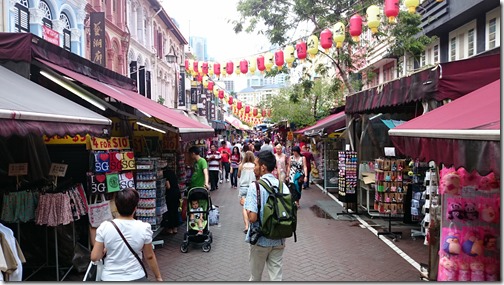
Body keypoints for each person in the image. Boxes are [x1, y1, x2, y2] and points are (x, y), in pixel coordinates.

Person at [91, 188, 163, 281]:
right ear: (135, 208)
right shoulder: (144, 228)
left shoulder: (104, 227)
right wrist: (158, 277)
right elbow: (149, 256)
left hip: (110, 277)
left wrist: (104, 251)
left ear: (116, 206)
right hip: (136, 276)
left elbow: (94, 257)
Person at [244, 150, 290, 281]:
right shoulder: (283, 186)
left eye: (256, 165)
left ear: (263, 167)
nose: (254, 168)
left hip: (260, 240)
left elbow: (252, 218)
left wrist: (245, 206)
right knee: (276, 277)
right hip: (279, 238)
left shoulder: (255, 187)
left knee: (255, 277)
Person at [237, 151, 256, 233]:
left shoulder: (241, 165)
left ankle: (246, 226)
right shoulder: (255, 166)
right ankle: (252, 224)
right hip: (253, 187)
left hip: (243, 187)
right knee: (252, 205)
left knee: (245, 207)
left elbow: (238, 175)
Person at [161, 168, 181, 235]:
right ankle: (175, 228)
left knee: (170, 211)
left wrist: (163, 186)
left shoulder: (166, 175)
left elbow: (168, 186)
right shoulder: (173, 175)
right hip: (177, 193)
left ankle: (170, 228)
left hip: (170, 194)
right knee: (175, 210)